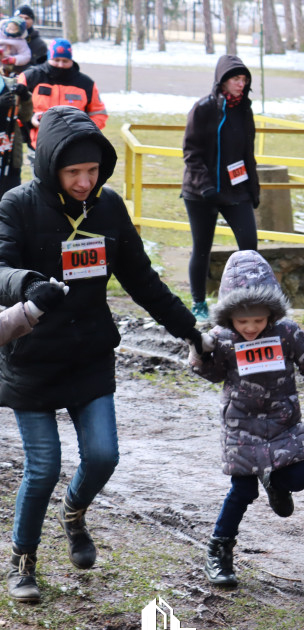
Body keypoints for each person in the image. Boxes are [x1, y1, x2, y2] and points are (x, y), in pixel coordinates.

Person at [0, 106, 205, 603]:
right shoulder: (16, 205)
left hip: (89, 356)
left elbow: (143, 281)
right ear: (51, 167)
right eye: (74, 172)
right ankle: (22, 560)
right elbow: (0, 267)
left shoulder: (108, 207)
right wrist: (28, 286)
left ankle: (74, 512)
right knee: (43, 467)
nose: (84, 181)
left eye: (92, 171)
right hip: (32, 358)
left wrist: (191, 331)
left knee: (103, 455)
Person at [189, 250, 304, 587]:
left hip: (282, 423)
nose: (250, 328)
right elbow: (213, 374)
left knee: (303, 476)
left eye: (258, 321)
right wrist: (200, 353)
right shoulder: (223, 339)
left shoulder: (286, 333)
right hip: (241, 427)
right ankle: (219, 551)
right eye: (242, 321)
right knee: (242, 491)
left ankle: (276, 483)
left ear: (271, 314)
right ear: (230, 316)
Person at [182, 55, 260, 322]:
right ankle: (199, 303)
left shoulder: (244, 109)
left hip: (236, 191)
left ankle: (249, 303)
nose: (241, 84)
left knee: (249, 247)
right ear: (223, 81)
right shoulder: (203, 108)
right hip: (201, 192)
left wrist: (253, 188)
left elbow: (247, 153)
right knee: (202, 248)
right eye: (236, 79)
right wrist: (205, 187)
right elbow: (191, 152)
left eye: (244, 79)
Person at [17, 39, 107, 149]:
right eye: (56, 60)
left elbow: (99, 114)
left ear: (71, 60)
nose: (60, 65)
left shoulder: (86, 84)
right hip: (39, 145)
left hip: (75, 146)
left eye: (65, 61)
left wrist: (82, 128)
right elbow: (15, 109)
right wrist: (30, 121)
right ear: (49, 58)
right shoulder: (30, 77)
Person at [0, 64, 32, 194]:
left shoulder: (9, 84)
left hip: (10, 153)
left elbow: (26, 116)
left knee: (10, 195)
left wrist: (25, 97)